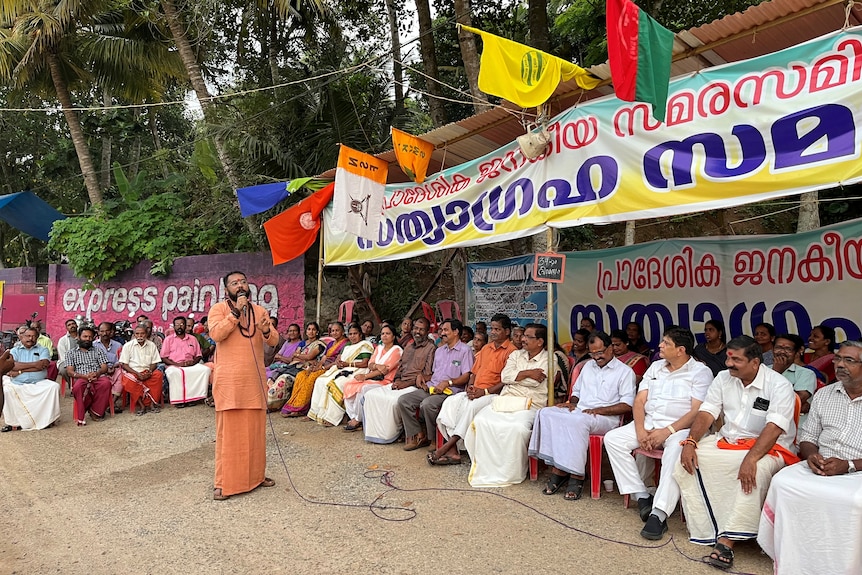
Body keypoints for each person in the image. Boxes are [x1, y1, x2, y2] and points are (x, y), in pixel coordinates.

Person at [673, 335, 797, 571]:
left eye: (736, 360)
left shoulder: (778, 385)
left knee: (755, 471)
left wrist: (750, 458)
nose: (729, 364)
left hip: (769, 446)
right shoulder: (723, 378)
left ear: (755, 362)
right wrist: (690, 441)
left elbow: (774, 428)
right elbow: (707, 412)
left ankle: (727, 541)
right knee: (687, 460)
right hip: (729, 441)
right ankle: (709, 527)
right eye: (729, 358)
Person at [757, 340, 862, 575]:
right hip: (821, 463)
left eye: (849, 360)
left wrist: (850, 466)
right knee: (783, 483)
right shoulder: (824, 394)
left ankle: (846, 564)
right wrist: (811, 455)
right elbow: (807, 435)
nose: (840, 365)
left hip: (857, 469)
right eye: (838, 359)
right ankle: (794, 555)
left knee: (856, 501)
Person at [604, 326, 714, 540]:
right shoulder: (655, 367)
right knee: (613, 439)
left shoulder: (701, 372)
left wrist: (667, 431)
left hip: (680, 429)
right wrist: (640, 431)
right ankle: (642, 495)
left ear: (681, 350)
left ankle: (659, 513)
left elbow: (697, 411)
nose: (660, 346)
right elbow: (639, 400)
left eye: (666, 343)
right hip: (650, 423)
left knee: (676, 449)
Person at [528, 331, 636, 499]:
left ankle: (576, 475)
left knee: (578, 421)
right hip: (582, 411)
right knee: (546, 412)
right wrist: (572, 402)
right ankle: (559, 466)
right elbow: (577, 392)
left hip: (606, 418)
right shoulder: (587, 366)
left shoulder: (625, 372)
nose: (596, 357)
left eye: (600, 352)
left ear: (611, 348)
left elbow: (627, 405)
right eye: (593, 353)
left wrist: (599, 410)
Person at [208, 271, 279, 501]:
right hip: (230, 382)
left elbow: (274, 340)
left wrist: (266, 329)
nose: (240, 285)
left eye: (243, 281)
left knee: (255, 433)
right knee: (229, 435)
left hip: (254, 381)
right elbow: (217, 334)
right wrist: (235, 313)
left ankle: (256, 477)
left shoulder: (259, 311)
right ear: (226, 288)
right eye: (234, 283)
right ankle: (224, 483)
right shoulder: (218, 309)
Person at [466, 323, 559, 487]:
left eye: (528, 337)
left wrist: (517, 377)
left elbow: (537, 383)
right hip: (506, 400)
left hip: (531, 404)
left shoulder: (550, 358)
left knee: (517, 429)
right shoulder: (516, 355)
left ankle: (509, 471)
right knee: (481, 421)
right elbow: (504, 376)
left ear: (540, 341)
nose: (523, 339)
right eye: (524, 336)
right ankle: (487, 467)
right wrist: (528, 373)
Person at [429, 313, 515, 465]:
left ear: (507, 331)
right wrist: (470, 387)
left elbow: (506, 381)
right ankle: (454, 452)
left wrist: (484, 391)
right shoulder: (487, 348)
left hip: (494, 394)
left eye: (497, 329)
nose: (493, 332)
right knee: (450, 403)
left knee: (471, 408)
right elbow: (474, 372)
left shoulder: (512, 351)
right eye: (492, 328)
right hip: (476, 391)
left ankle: (449, 445)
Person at [397, 319, 474, 451]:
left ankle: (433, 439)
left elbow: (467, 376)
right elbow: (434, 374)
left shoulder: (465, 350)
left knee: (427, 404)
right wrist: (422, 377)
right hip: (433, 387)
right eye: (441, 330)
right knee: (404, 400)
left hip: (451, 391)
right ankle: (418, 435)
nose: (442, 333)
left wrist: (449, 382)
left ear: (456, 332)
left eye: (445, 330)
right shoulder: (439, 351)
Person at [363, 318, 435, 444]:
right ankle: (374, 434)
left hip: (415, 385)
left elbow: (426, 374)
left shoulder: (431, 348)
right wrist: (396, 380)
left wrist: (405, 384)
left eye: (421, 329)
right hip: (399, 383)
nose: (417, 331)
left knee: (392, 401)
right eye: (416, 328)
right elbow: (400, 367)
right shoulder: (409, 347)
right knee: (370, 395)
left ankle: (392, 434)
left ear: (427, 331)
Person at [307, 324, 374, 427]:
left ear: (360, 335)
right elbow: (339, 358)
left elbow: (365, 363)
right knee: (320, 380)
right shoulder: (347, 346)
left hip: (357, 370)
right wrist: (338, 362)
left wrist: (348, 364)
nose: (352, 336)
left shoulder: (365, 344)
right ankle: (316, 413)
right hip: (343, 368)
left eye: (355, 333)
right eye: (350, 334)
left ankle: (332, 418)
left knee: (335, 384)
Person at [342, 324, 403, 432]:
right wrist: (376, 365)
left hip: (386, 381)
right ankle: (353, 416)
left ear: (393, 336)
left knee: (363, 388)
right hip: (373, 378)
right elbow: (370, 363)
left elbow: (385, 370)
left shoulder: (397, 350)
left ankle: (358, 419)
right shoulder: (379, 348)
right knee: (348, 384)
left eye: (388, 333)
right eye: (383, 333)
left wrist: (365, 376)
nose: (384, 336)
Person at [281, 322, 349, 417]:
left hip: (333, 367)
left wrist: (322, 367)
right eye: (333, 331)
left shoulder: (345, 344)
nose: (334, 333)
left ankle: (301, 409)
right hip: (323, 366)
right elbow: (323, 359)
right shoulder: (331, 344)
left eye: (337, 330)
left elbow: (338, 361)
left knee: (312, 378)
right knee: (301, 375)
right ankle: (294, 405)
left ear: (342, 332)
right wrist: (316, 367)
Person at [1, 327, 60, 431]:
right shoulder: (14, 350)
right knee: (7, 390)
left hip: (38, 382)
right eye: (28, 336)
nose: (30, 338)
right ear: (22, 337)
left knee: (54, 386)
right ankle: (14, 423)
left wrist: (20, 369)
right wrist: (35, 365)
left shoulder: (43, 349)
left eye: (34, 336)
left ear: (37, 338)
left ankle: (46, 420)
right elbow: (12, 366)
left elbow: (43, 365)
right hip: (18, 382)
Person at [266, 322, 323, 412]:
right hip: (293, 366)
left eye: (313, 329)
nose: (311, 331)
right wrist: (302, 357)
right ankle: (267, 401)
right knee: (274, 376)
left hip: (303, 368)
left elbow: (309, 356)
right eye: (309, 329)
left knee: (284, 379)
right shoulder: (303, 343)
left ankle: (271, 403)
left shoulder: (319, 344)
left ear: (317, 332)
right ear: (306, 331)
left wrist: (300, 356)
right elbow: (294, 357)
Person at [64, 326, 111, 426]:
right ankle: (82, 413)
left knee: (106, 383)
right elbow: (70, 371)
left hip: (97, 376)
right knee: (78, 387)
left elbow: (104, 367)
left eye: (90, 337)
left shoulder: (98, 350)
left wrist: (97, 373)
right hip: (81, 377)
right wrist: (84, 376)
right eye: (85, 336)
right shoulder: (70, 353)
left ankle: (95, 412)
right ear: (78, 337)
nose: (87, 339)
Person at [161, 316, 211, 407]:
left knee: (205, 370)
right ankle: (178, 400)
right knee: (173, 373)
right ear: (173, 326)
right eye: (177, 325)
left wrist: (193, 362)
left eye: (182, 324)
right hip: (174, 365)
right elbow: (163, 358)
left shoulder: (193, 339)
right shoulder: (168, 339)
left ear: (185, 326)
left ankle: (195, 398)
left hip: (190, 364)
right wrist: (177, 364)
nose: (179, 327)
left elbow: (198, 355)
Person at [770, 334, 816, 425]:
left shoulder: (806, 373)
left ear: (796, 353)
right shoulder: (761, 370)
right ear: (772, 350)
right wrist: (776, 371)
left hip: (794, 427)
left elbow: (796, 400)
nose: (782, 351)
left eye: (788, 349)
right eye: (778, 347)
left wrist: (776, 373)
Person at [119, 325, 164, 416]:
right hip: (133, 372)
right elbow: (124, 365)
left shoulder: (152, 345)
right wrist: (137, 374)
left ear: (146, 334)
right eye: (137, 333)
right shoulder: (128, 346)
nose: (140, 336)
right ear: (134, 335)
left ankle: (152, 404)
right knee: (128, 380)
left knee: (158, 375)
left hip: (148, 371)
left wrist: (149, 372)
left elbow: (155, 362)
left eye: (142, 333)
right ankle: (142, 405)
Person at [94, 322, 124, 413]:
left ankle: (111, 403)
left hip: (115, 368)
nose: (104, 333)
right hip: (100, 370)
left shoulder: (118, 345)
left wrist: (114, 366)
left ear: (111, 332)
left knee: (122, 375)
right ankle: (107, 403)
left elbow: (122, 359)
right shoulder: (93, 345)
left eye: (107, 331)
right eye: (102, 331)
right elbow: (93, 362)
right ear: (98, 332)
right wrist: (105, 368)